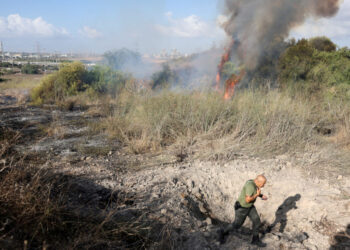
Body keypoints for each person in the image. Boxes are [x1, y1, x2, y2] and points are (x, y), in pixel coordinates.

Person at [231, 175, 268, 247]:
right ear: (258, 181)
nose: (264, 185)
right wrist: (257, 195)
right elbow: (247, 200)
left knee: (257, 221)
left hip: (250, 207)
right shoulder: (250, 186)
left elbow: (254, 192)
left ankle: (255, 240)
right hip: (242, 207)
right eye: (263, 183)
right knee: (237, 225)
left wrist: (261, 195)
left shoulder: (255, 183)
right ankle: (222, 232)